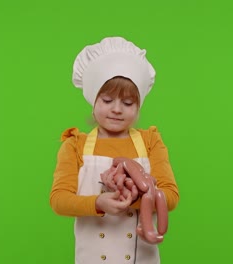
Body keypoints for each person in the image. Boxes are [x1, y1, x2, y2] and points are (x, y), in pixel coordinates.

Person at [50, 36, 179, 264]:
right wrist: (99, 203)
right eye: (107, 100)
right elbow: (59, 200)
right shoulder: (75, 145)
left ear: (139, 107)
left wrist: (135, 198)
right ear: (93, 101)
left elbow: (170, 196)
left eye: (128, 103)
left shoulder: (150, 141)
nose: (117, 110)